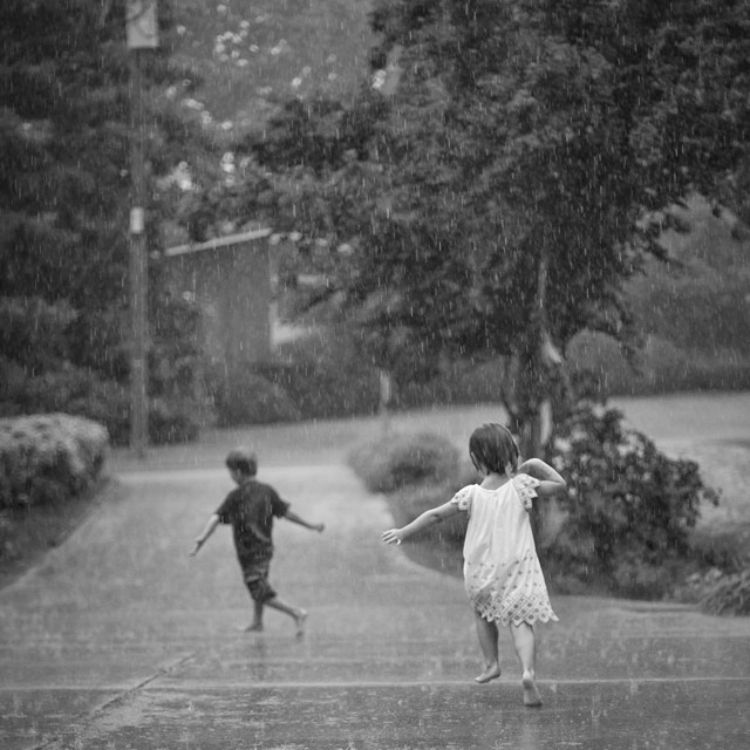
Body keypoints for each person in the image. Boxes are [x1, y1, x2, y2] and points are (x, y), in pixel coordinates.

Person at [382, 423, 565, 706]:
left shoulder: (470, 494)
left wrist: (404, 532)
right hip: (516, 567)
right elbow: (560, 486)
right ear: (511, 455)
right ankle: (528, 672)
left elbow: (434, 516)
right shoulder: (521, 487)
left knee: (483, 614)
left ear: (476, 460)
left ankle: (491, 663)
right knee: (521, 622)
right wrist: (537, 465)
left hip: (480, 569)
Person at [190, 447, 325, 637]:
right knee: (260, 583)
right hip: (265, 548)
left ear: (237, 473)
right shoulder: (267, 491)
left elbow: (216, 517)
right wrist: (310, 525)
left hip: (248, 551)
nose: (230, 476)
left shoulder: (235, 497)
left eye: (230, 472)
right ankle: (257, 622)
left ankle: (297, 613)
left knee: (257, 588)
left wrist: (202, 538)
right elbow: (287, 514)